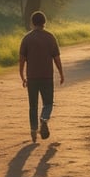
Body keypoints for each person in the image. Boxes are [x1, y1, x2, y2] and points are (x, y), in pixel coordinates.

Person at [19, 11, 64, 143]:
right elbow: (56, 58)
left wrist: (22, 76)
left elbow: (21, 60)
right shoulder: (50, 37)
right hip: (47, 77)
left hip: (32, 77)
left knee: (33, 106)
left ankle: (33, 130)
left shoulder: (27, 38)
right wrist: (61, 73)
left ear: (32, 22)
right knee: (48, 103)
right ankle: (44, 119)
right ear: (44, 22)